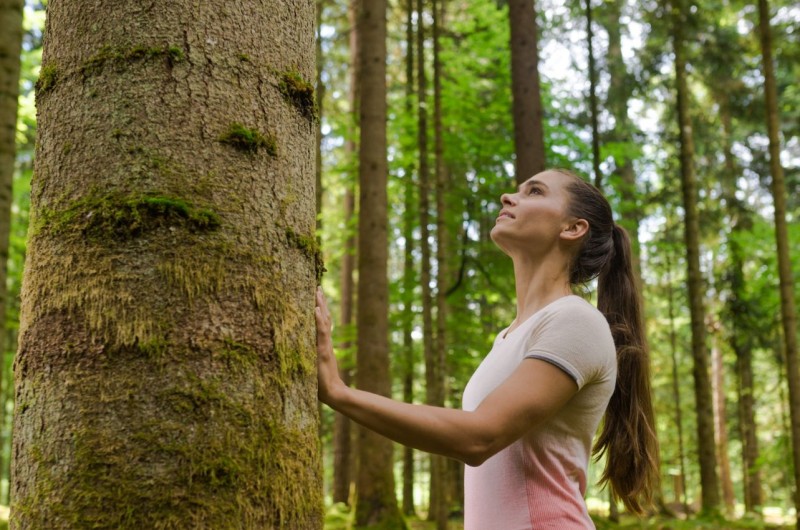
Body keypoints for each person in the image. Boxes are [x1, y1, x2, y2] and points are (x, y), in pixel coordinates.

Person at [315, 168, 659, 529]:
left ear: (572, 228)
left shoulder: (576, 321)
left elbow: (479, 436)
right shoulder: (510, 337)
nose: (508, 198)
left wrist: (339, 392)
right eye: (518, 191)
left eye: (535, 192)